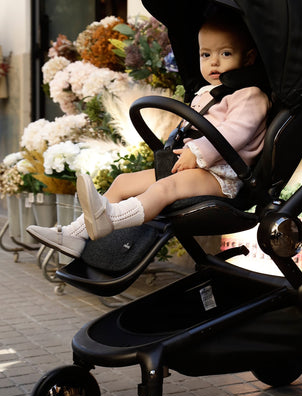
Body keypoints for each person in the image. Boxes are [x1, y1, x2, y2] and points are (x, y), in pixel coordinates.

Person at [27, 11, 271, 258]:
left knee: (165, 187)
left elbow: (235, 133)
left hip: (222, 176)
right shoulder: (208, 92)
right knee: (123, 181)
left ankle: (110, 219)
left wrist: (198, 153)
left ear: (249, 57)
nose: (214, 63)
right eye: (206, 55)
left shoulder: (250, 95)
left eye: (225, 53)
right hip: (192, 166)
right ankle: (74, 235)